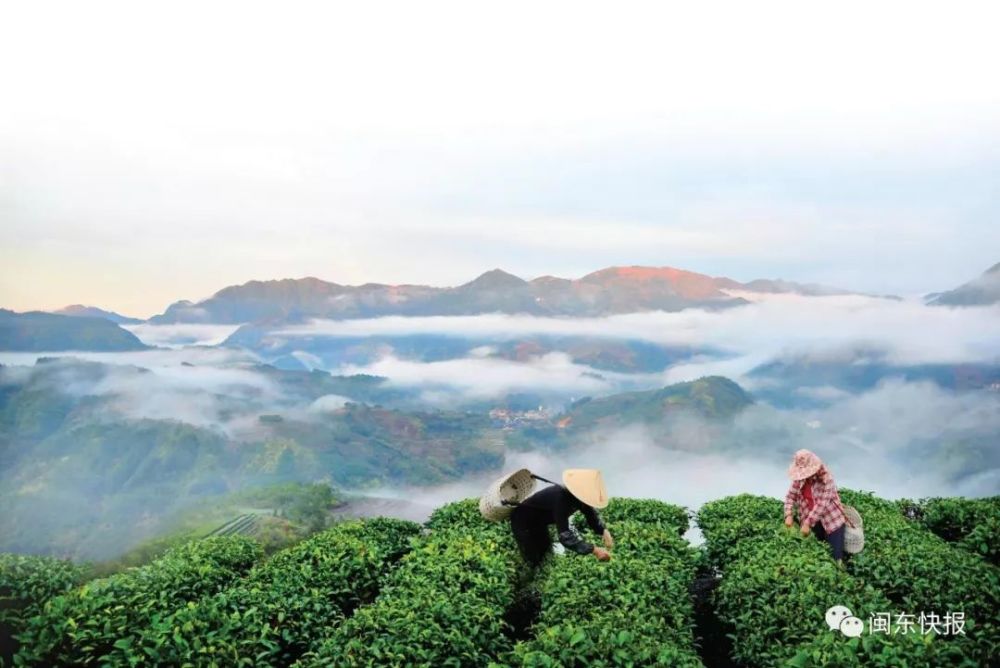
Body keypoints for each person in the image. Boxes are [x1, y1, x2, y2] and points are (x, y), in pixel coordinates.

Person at [509, 468, 614, 566]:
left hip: (540, 523)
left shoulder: (581, 498)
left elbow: (591, 515)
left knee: (546, 551)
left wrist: (603, 531)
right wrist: (595, 550)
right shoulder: (561, 498)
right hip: (523, 522)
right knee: (533, 557)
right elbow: (565, 536)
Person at [784, 449, 848, 564]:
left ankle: (840, 573)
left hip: (831, 521)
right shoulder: (800, 479)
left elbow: (822, 505)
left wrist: (807, 523)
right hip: (812, 521)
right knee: (817, 553)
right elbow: (790, 496)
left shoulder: (826, 479)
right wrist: (788, 514)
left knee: (835, 557)